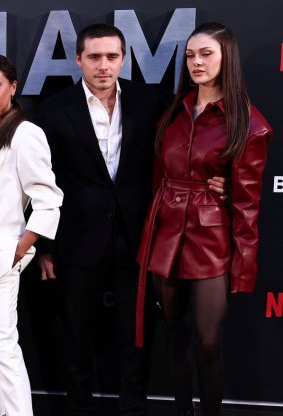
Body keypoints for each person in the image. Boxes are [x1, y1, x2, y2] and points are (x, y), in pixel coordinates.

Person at [33, 23, 223, 416]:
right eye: (94, 57)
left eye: (112, 57)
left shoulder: (151, 102)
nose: (103, 65)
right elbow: (38, 182)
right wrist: (45, 247)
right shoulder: (52, 111)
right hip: (77, 239)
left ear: (123, 59)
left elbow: (191, 142)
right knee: (75, 333)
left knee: (136, 334)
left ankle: (133, 409)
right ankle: (80, 409)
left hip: (139, 237)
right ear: (78, 60)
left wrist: (223, 178)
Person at [135, 22, 272, 416]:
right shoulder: (173, 112)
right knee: (174, 336)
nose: (196, 62)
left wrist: (243, 268)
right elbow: (158, 177)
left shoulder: (249, 123)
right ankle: (182, 410)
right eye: (191, 55)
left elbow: (247, 205)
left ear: (227, 57)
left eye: (206, 54)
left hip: (211, 242)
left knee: (207, 342)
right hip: (166, 236)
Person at [0, 54, 63, 416]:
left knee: (4, 346)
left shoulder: (27, 134)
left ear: (13, 87)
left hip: (3, 258)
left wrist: (21, 247)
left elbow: (48, 200)